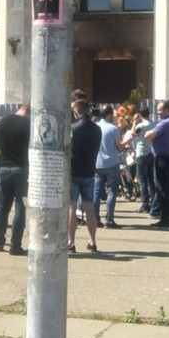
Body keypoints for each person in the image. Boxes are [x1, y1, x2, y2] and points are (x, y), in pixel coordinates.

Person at [0, 100, 31, 255]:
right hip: (21, 169)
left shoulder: (2, 122)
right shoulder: (28, 125)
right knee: (20, 207)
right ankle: (15, 245)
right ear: (29, 111)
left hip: (4, 168)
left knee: (2, 207)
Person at [67, 97, 101, 254]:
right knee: (89, 208)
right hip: (89, 171)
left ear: (76, 112)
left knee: (72, 209)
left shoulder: (72, 128)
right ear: (88, 111)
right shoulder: (96, 129)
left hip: (73, 171)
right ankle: (92, 241)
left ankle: (71, 242)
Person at [143, 100, 169, 228]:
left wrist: (152, 135)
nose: (157, 112)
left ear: (167, 110)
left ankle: (165, 218)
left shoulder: (165, 123)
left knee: (162, 189)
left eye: (160, 110)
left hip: (163, 160)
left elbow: (148, 136)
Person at [95, 105, 122, 228]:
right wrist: (129, 140)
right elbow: (119, 146)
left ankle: (95, 218)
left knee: (96, 192)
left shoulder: (95, 126)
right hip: (111, 162)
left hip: (97, 163)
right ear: (109, 115)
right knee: (112, 191)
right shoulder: (113, 128)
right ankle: (109, 220)